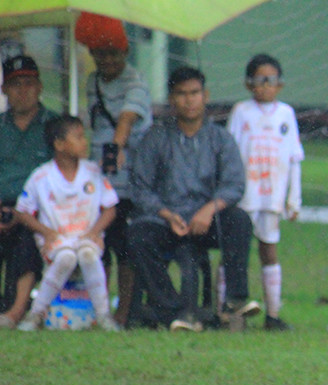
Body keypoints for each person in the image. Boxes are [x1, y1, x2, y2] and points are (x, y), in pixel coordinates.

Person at [128, 66, 260, 332]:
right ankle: (174, 310)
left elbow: (235, 185)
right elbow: (140, 187)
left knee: (239, 220)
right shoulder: (156, 137)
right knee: (137, 235)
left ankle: (235, 299)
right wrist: (165, 214)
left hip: (205, 222)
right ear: (171, 99)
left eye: (194, 93)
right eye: (181, 94)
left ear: (205, 95)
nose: (189, 100)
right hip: (166, 221)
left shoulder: (220, 139)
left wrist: (208, 210)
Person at [74, 12, 153, 327]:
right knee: (99, 247)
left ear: (125, 52)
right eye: (100, 53)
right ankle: (100, 310)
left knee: (126, 247)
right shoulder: (92, 81)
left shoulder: (136, 81)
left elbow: (126, 118)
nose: (106, 59)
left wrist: (117, 147)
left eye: (113, 53)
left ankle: (125, 311)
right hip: (99, 178)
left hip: (130, 180)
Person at [13, 115, 120, 332]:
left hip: (87, 236)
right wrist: (46, 232)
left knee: (88, 255)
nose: (85, 142)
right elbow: (22, 212)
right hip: (57, 240)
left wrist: (94, 232)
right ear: (59, 145)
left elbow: (110, 208)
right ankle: (36, 314)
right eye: (79, 137)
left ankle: (104, 315)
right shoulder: (41, 177)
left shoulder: (92, 172)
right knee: (66, 258)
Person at [226, 53, 304, 331]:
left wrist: (293, 199)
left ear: (280, 84)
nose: (265, 86)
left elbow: (294, 159)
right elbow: (231, 153)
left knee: (269, 251)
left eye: (271, 80)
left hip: (272, 198)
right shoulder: (241, 112)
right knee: (235, 253)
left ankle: (273, 315)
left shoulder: (286, 114)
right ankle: (231, 315)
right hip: (245, 197)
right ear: (249, 84)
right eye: (260, 80)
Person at [0, 55, 55, 329]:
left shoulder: (55, 127)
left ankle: (17, 310)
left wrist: (23, 213)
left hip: (40, 211)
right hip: (1, 204)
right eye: (15, 84)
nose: (23, 90)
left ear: (40, 87)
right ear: (4, 89)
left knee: (27, 239)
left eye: (29, 83)